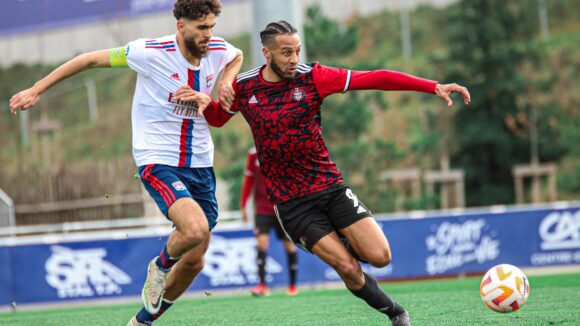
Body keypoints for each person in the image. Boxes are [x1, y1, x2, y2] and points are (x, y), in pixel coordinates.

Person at [181, 20, 471, 325]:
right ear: (267, 53)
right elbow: (217, 119)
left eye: (297, 51)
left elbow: (377, 78)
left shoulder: (314, 77)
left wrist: (432, 86)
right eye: (286, 53)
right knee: (347, 268)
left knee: (381, 257)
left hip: (330, 189)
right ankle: (395, 313)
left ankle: (342, 241)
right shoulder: (245, 87)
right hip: (292, 205)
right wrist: (206, 102)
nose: (294, 59)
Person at [9, 1, 243, 325]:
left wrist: (227, 82)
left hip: (201, 162)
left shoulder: (218, 49)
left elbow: (235, 56)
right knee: (195, 228)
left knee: (195, 261)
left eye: (212, 27)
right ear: (181, 26)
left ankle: (142, 321)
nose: (209, 35)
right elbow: (90, 59)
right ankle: (159, 266)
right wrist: (37, 89)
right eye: (202, 28)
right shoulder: (149, 52)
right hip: (157, 159)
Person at [241, 146, 298, 296]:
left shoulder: (281, 148)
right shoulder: (253, 154)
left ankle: (292, 285)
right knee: (261, 243)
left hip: (282, 207)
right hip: (262, 209)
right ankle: (262, 285)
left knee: (289, 246)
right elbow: (248, 181)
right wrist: (243, 206)